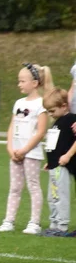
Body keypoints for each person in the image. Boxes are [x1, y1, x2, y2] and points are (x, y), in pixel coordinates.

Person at [0, 64, 52, 235]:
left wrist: (25, 150)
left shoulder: (41, 104)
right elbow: (12, 127)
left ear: (35, 83)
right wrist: (11, 148)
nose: (19, 84)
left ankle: (34, 222)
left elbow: (41, 131)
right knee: (14, 188)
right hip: (16, 153)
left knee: (33, 186)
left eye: (22, 81)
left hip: (31, 154)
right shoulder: (18, 103)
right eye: (18, 81)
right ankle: (9, 220)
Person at [42, 87, 76, 236]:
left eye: (52, 111)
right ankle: (54, 222)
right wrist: (50, 161)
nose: (50, 115)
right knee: (52, 196)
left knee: (61, 195)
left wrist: (68, 155)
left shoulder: (71, 120)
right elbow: (54, 145)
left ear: (64, 106)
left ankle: (62, 225)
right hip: (54, 166)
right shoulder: (57, 121)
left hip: (63, 166)